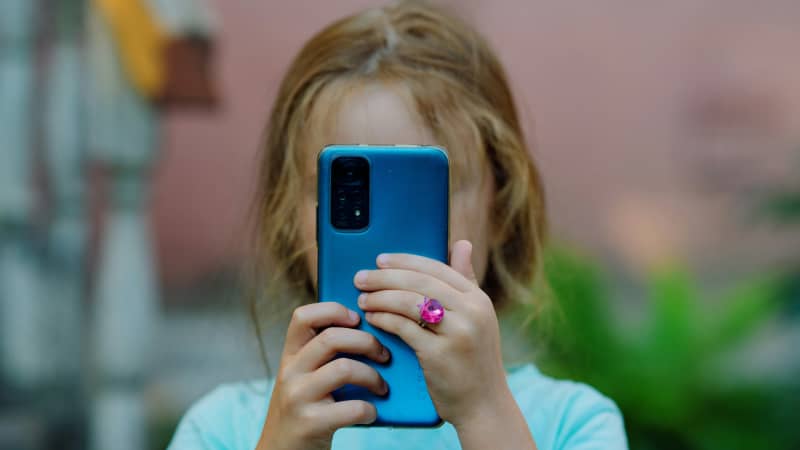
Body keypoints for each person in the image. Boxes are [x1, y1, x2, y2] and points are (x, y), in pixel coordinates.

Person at [168, 1, 628, 449]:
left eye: (423, 191)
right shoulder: (221, 430)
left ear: (502, 207)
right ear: (288, 218)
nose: (389, 245)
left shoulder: (575, 424)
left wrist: (485, 415)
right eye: (347, 190)